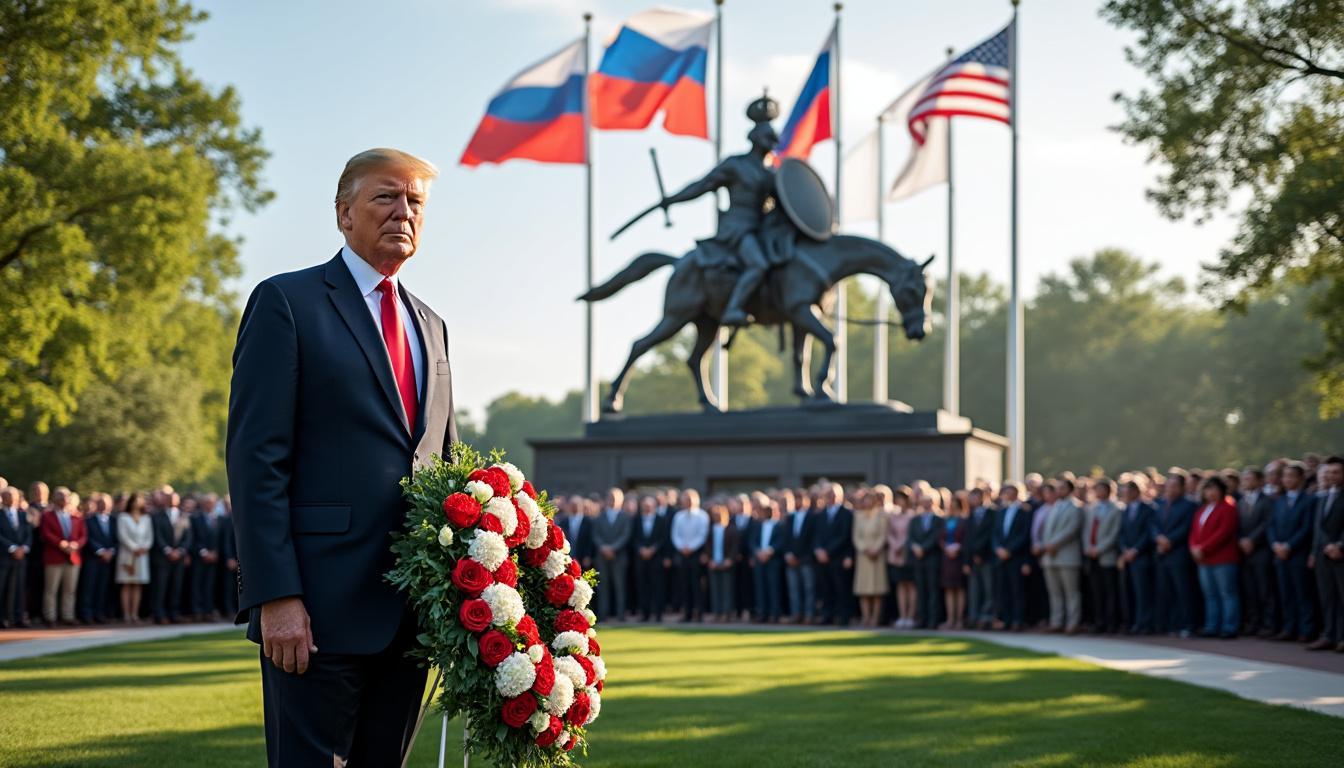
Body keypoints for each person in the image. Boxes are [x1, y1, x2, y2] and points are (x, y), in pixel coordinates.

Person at [227, 148, 459, 766]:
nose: (402, 212)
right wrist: (275, 596)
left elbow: (448, 470)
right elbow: (257, 462)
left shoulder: (431, 325)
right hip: (314, 614)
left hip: (412, 620)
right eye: (386, 196)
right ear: (343, 213)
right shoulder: (287, 303)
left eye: (415, 201)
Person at [1269, 462, 1315, 642]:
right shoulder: (1278, 500)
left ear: (1301, 478)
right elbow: (1271, 525)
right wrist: (1275, 545)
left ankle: (1306, 629)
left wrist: (1289, 546)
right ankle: (1289, 627)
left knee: (1302, 593)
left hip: (1297, 554)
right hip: (1280, 554)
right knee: (1285, 593)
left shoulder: (1309, 500)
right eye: (1285, 476)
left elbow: (1306, 528)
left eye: (1292, 476)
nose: (1287, 480)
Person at [1190, 476, 1240, 639]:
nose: (1210, 493)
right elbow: (1194, 532)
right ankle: (1212, 626)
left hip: (1223, 558)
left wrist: (1203, 548)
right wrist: (1194, 547)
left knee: (1227, 593)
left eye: (1214, 489)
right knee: (1210, 595)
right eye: (1207, 489)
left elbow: (1224, 532)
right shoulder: (1202, 509)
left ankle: (1229, 627)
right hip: (1204, 560)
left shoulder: (1228, 507)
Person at [1153, 473, 1196, 638]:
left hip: (1178, 553)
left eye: (1174, 486)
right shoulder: (1161, 503)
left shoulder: (1189, 505)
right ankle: (1171, 624)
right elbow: (1154, 525)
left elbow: (1186, 527)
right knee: (1166, 591)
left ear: (1182, 488)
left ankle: (1187, 624)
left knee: (1183, 591)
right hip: (1162, 554)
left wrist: (1169, 540)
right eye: (1168, 485)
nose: (1170, 489)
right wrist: (1158, 538)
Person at [1308, 457, 1344, 651]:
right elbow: (1318, 528)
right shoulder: (1322, 497)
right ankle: (1329, 634)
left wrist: (1339, 546)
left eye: (1336, 472)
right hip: (1322, 555)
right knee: (1327, 597)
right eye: (1329, 472)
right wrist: (1314, 552)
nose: (1331, 476)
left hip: (1340, 555)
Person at [1238, 467, 1277, 637]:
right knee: (1250, 590)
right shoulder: (1240, 502)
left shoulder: (1267, 500)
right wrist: (1242, 540)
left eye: (1249, 478)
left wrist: (1252, 539)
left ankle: (1269, 625)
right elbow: (1236, 525)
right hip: (1245, 553)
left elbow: (1267, 523)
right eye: (1244, 478)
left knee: (1265, 590)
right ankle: (1254, 622)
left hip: (1261, 550)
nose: (1246, 482)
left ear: (1259, 481)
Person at [1041, 479, 1084, 634]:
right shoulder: (1055, 506)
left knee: (1071, 592)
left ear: (1070, 489)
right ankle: (1056, 621)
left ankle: (1072, 623)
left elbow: (1071, 529)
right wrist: (1046, 545)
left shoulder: (1076, 507)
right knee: (1055, 593)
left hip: (1067, 555)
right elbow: (1047, 530)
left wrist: (1054, 544)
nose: (1059, 491)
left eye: (1062, 488)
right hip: (1050, 556)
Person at [40, 490, 87, 626]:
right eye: (60, 496)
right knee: (51, 589)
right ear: (54, 499)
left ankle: (68, 615)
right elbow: (46, 533)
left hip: (73, 557)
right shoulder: (47, 516)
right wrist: (60, 543)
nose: (64, 499)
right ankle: (50, 617)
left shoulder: (76, 517)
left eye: (66, 496)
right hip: (54, 557)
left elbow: (83, 535)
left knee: (70, 590)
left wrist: (76, 544)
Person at [1118, 479, 1157, 634]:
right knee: (1130, 592)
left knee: (1143, 593)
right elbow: (1121, 533)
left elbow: (1148, 533)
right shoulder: (1125, 510)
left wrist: (1135, 550)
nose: (1124, 494)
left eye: (1127, 491)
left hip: (1141, 557)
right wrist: (1125, 549)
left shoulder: (1149, 509)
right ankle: (1132, 622)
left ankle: (1144, 623)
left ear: (1136, 491)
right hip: (1128, 557)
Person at [1084, 478, 1123, 634]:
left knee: (1110, 591)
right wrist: (1088, 547)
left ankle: (1111, 622)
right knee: (1096, 591)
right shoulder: (1092, 509)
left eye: (1101, 489)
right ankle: (1099, 622)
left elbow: (1114, 533)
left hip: (1107, 555)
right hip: (1092, 556)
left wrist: (1099, 548)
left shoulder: (1117, 509)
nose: (1098, 492)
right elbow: (1086, 531)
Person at [813, 482, 855, 626]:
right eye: (828, 494)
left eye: (834, 494)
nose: (831, 497)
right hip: (822, 559)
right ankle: (827, 615)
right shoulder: (820, 514)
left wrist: (828, 551)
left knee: (841, 589)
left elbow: (844, 536)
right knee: (826, 588)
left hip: (839, 557)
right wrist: (819, 550)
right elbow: (816, 535)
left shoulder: (847, 513)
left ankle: (843, 617)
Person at [150, 491, 192, 624]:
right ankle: (159, 613)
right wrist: (167, 550)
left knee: (176, 586)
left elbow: (188, 536)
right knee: (161, 587)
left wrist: (180, 551)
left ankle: (173, 613)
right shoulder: (157, 516)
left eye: (174, 498)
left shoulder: (184, 516)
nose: (172, 501)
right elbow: (157, 536)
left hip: (178, 558)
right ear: (165, 500)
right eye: (169, 498)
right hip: (163, 557)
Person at [592, 487, 633, 623]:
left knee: (620, 586)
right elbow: (595, 535)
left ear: (621, 500)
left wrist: (613, 548)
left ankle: (621, 615)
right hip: (602, 556)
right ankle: (603, 615)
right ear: (607, 499)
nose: (613, 501)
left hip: (619, 556)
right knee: (603, 586)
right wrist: (603, 548)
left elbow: (625, 535)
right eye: (611, 498)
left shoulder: (625, 517)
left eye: (616, 498)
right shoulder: (599, 517)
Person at [908, 484, 945, 629]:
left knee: (933, 590)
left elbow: (937, 536)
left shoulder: (939, 519)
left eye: (929, 501)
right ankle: (921, 618)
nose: (926, 504)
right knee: (921, 590)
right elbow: (911, 537)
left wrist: (924, 548)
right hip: (918, 559)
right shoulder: (915, 519)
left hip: (932, 558)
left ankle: (933, 619)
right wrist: (916, 547)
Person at [671, 489, 710, 623]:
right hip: (682, 554)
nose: (687, 502)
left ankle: (699, 613)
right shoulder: (678, 516)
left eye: (690, 499)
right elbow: (675, 535)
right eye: (685, 499)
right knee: (684, 584)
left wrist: (691, 547)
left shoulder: (703, 516)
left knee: (697, 585)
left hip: (696, 554)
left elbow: (702, 535)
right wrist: (682, 547)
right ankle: (687, 613)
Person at [851, 491, 888, 628]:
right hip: (864, 555)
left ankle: (875, 618)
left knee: (877, 588)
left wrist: (876, 549)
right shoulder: (858, 516)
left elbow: (883, 534)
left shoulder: (881, 515)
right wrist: (865, 548)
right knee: (864, 589)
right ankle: (865, 617)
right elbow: (856, 536)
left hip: (877, 555)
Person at [79, 493, 117, 624]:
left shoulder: (114, 520)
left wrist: (111, 551)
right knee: (89, 587)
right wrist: (100, 551)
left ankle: (99, 613)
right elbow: (88, 538)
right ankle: (87, 613)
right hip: (93, 558)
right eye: (101, 502)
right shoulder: (88, 520)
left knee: (103, 587)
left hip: (108, 559)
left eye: (107, 503)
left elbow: (116, 538)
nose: (104, 505)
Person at [632, 494, 670, 623]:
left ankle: (658, 614)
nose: (647, 508)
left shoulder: (661, 520)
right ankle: (645, 614)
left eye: (650, 506)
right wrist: (641, 549)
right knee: (643, 587)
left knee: (658, 586)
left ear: (654, 506)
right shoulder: (636, 520)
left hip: (657, 559)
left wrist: (653, 549)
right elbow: (634, 538)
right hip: (641, 559)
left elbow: (664, 538)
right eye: (645, 506)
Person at [116, 492, 153, 624]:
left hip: (142, 556)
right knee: (126, 584)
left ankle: (134, 614)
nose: (137, 503)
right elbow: (123, 536)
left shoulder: (146, 518)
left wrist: (144, 547)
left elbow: (149, 537)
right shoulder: (123, 517)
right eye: (135, 500)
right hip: (127, 555)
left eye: (140, 500)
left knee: (137, 585)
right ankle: (126, 614)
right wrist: (134, 548)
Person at [963, 488, 996, 630]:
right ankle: (974, 617)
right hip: (972, 559)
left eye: (975, 497)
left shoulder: (992, 513)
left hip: (987, 557)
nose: (972, 500)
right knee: (974, 590)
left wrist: (980, 553)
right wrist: (967, 560)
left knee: (989, 589)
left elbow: (990, 535)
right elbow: (967, 539)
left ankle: (986, 617)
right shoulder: (970, 515)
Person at [782, 490, 817, 624]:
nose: (798, 502)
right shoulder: (790, 517)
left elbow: (813, 539)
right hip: (791, 559)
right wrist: (789, 554)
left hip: (806, 559)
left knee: (809, 588)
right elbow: (786, 538)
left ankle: (809, 614)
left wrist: (801, 555)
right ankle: (796, 614)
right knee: (794, 590)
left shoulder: (812, 517)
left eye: (800, 499)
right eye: (796, 499)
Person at [751, 494, 786, 623]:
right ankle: (762, 613)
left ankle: (775, 613)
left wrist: (770, 551)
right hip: (760, 560)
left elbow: (781, 542)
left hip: (773, 560)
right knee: (761, 588)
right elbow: (753, 542)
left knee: (774, 588)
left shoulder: (780, 525)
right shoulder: (758, 525)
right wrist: (758, 552)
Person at [703, 498, 739, 623]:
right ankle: (717, 613)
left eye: (719, 514)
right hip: (714, 563)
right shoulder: (711, 529)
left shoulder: (732, 529)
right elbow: (707, 546)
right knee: (715, 590)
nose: (717, 517)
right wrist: (709, 559)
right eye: (715, 515)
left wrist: (729, 560)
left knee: (727, 590)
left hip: (726, 564)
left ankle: (726, 613)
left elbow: (735, 547)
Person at [0, 487, 32, 628]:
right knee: (3, 588)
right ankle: (2, 618)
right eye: (8, 496)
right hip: (4, 557)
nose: (12, 498)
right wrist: (12, 548)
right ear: (3, 498)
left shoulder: (23, 515)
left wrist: (24, 548)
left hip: (21, 558)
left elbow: (28, 534)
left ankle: (18, 617)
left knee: (19, 588)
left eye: (14, 496)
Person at [886, 488, 917, 629]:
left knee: (910, 585)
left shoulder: (913, 516)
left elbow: (910, 535)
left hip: (907, 555)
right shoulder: (893, 516)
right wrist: (895, 545)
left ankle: (910, 616)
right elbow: (890, 533)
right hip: (895, 554)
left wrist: (901, 545)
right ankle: (902, 615)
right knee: (900, 585)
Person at [190, 497, 224, 621]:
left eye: (212, 503)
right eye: (207, 503)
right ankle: (197, 611)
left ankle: (208, 610)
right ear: (203, 504)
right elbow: (193, 537)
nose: (210, 505)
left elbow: (222, 538)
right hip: (199, 557)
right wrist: (203, 552)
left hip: (214, 558)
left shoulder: (220, 519)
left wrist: (216, 552)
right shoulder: (195, 518)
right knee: (197, 585)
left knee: (210, 586)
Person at [939, 490, 968, 630]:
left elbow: (966, 539)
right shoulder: (946, 520)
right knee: (949, 589)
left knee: (959, 588)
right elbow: (941, 538)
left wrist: (958, 548)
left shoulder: (964, 520)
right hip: (947, 558)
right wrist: (946, 548)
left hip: (959, 557)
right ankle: (950, 619)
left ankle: (959, 620)